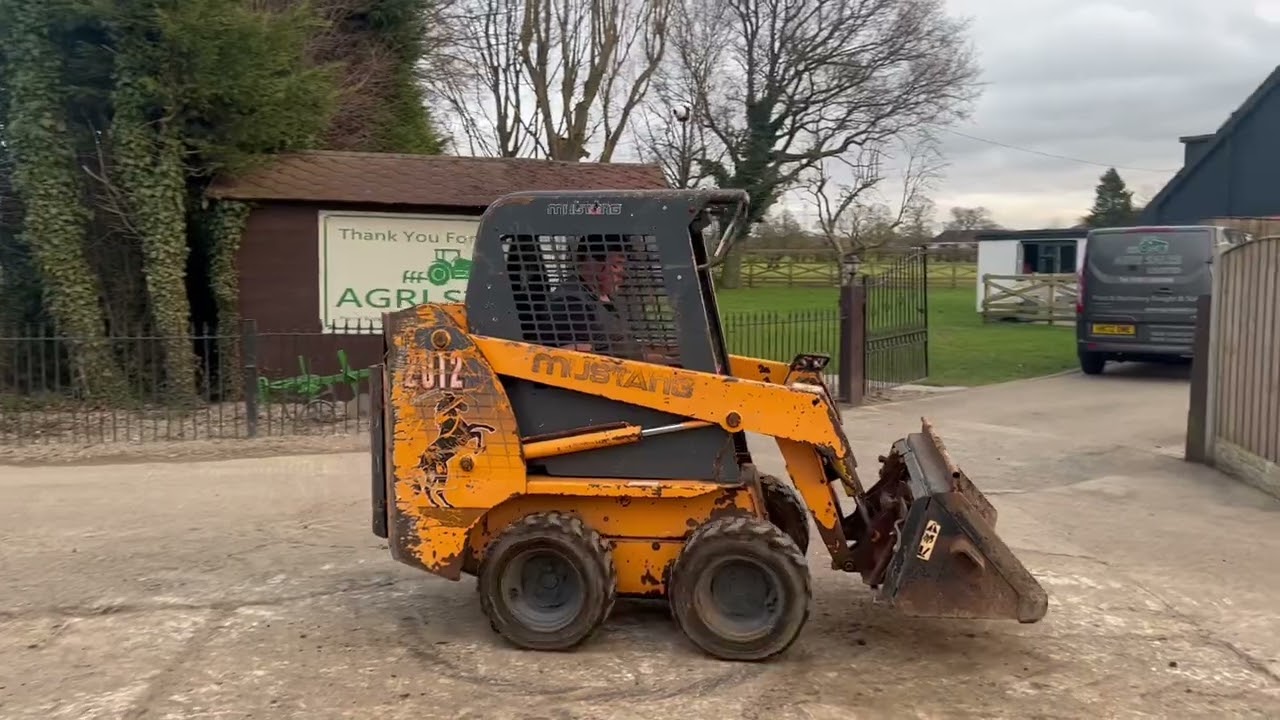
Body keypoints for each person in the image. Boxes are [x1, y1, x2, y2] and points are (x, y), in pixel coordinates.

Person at [546, 236, 675, 364]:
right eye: (617, 265)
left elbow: (629, 353)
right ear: (592, 262)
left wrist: (675, 362)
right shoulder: (571, 303)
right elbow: (583, 363)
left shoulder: (602, 299)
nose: (624, 274)